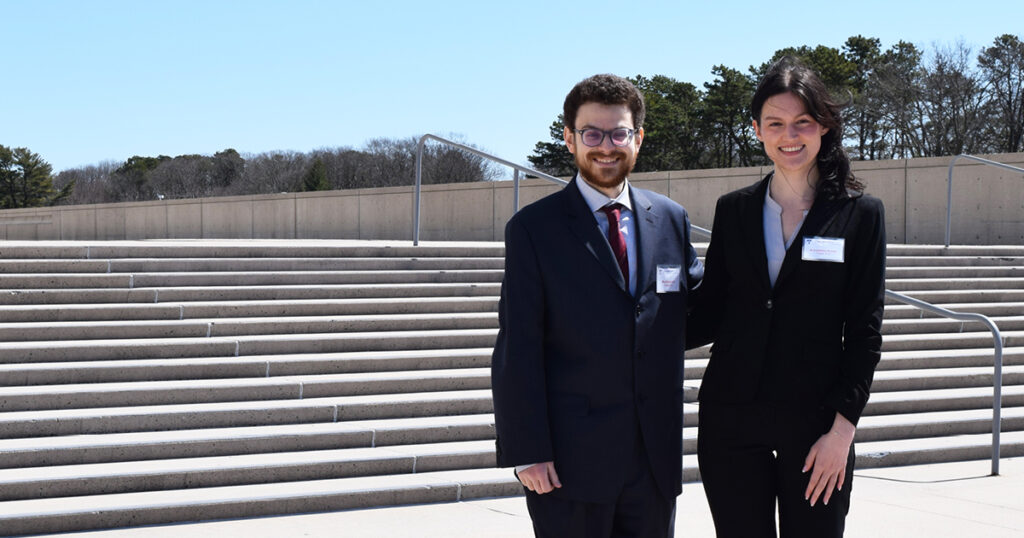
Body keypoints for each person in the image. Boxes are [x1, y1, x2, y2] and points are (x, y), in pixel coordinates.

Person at [490, 73, 703, 538]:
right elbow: (518, 347)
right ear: (569, 138)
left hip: (653, 463)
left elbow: (695, 313)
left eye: (619, 133)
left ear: (638, 138)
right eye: (591, 133)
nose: (606, 146)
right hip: (569, 467)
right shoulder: (533, 229)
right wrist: (527, 450)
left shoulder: (671, 219)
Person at [687, 56, 886, 537]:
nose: (789, 134)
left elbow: (865, 332)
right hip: (731, 420)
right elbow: (709, 311)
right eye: (775, 123)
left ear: (824, 126)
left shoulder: (860, 215)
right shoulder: (734, 211)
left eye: (802, 122)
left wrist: (842, 432)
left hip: (816, 426)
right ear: (757, 130)